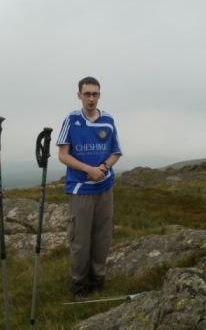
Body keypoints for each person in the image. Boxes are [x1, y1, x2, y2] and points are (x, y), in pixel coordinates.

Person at [56, 76, 122, 297]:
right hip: (81, 189)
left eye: (95, 94)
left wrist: (103, 167)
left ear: (99, 95)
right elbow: (63, 155)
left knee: (102, 238)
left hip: (105, 188)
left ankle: (98, 280)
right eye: (87, 94)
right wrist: (88, 169)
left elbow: (116, 152)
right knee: (80, 240)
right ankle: (79, 285)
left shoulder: (109, 120)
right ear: (79, 95)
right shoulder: (71, 120)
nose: (91, 98)